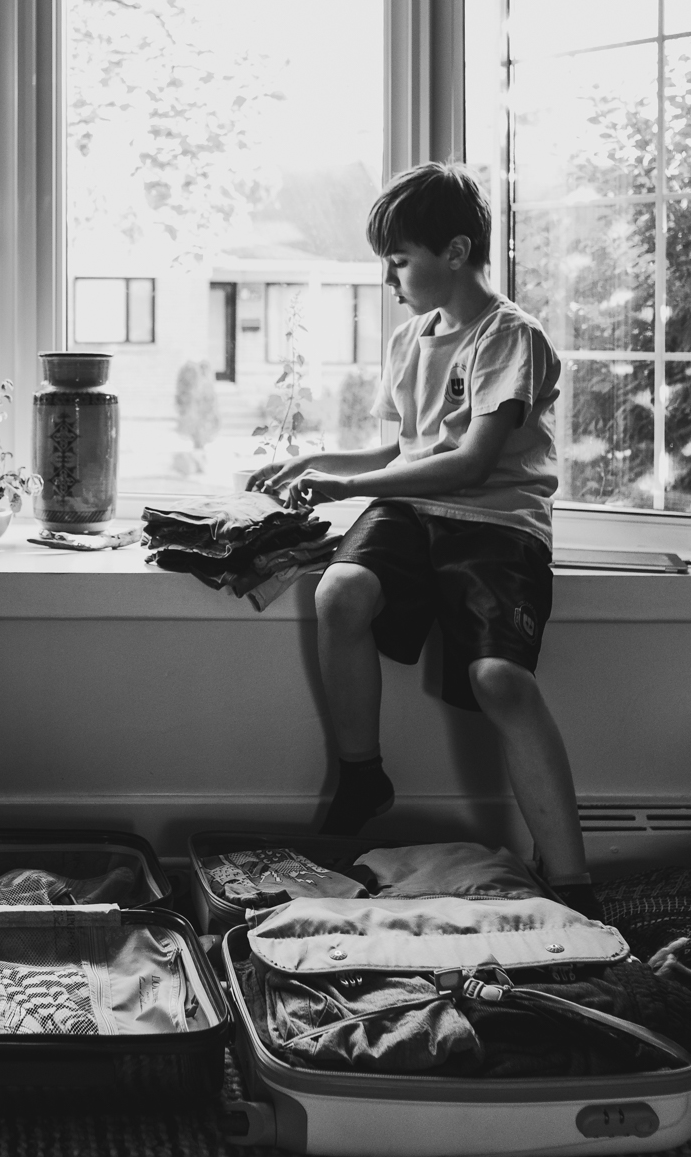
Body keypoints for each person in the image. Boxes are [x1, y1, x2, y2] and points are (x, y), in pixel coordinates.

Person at [247, 161, 599, 919]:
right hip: (414, 512)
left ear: (458, 251)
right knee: (340, 591)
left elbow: (470, 465)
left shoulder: (511, 337)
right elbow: (400, 452)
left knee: (499, 680)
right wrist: (317, 462)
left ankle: (571, 876)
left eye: (400, 260)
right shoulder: (412, 339)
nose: (390, 278)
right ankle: (362, 772)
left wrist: (349, 490)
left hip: (497, 525)